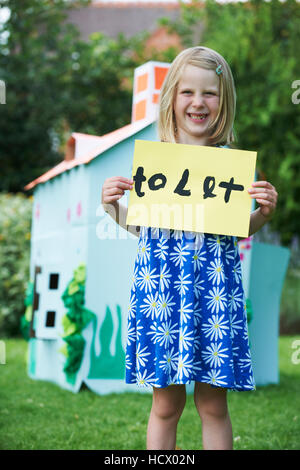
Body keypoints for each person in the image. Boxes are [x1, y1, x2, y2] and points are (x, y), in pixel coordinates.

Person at [101, 46, 278, 450]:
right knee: (165, 405)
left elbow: (233, 230)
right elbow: (142, 227)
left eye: (210, 94)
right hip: (161, 293)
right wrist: (112, 208)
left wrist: (263, 215)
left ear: (224, 101)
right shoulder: (156, 163)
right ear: (171, 99)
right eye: (187, 93)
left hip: (214, 295)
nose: (199, 103)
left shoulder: (229, 165)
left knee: (213, 405)